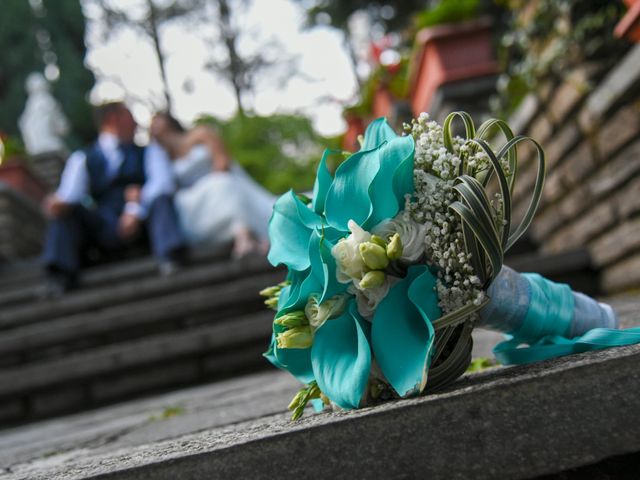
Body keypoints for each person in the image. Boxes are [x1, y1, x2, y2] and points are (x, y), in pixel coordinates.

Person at [42, 102, 185, 294]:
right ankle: (59, 275)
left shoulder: (151, 151)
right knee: (65, 215)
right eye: (130, 116)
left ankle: (171, 258)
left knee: (161, 201)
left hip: (145, 222)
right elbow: (70, 195)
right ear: (114, 119)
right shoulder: (82, 158)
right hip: (103, 225)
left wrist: (135, 209)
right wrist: (57, 204)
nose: (135, 123)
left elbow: (162, 183)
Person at [150, 112, 275, 257]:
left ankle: (244, 236)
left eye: (157, 121)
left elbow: (222, 161)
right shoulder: (163, 157)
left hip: (221, 181)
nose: (154, 126)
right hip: (196, 199)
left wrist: (212, 183)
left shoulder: (201, 134)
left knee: (220, 186)